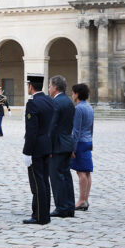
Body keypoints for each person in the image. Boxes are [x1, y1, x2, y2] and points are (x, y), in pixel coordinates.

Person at [22, 73, 53, 225]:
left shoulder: (33, 103)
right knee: (45, 181)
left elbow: (31, 130)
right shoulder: (49, 100)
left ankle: (39, 216)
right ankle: (44, 213)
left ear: (31, 86)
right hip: (47, 146)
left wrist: (27, 152)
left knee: (37, 183)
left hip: (36, 149)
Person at [48, 75, 76, 218]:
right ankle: (70, 206)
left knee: (56, 177)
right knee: (66, 176)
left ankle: (61, 208)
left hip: (57, 146)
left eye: (49, 86)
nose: (48, 89)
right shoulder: (69, 102)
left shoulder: (56, 103)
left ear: (55, 87)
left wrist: (49, 147)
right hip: (67, 143)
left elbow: (52, 127)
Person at [70, 83, 94, 211]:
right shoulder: (89, 107)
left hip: (80, 143)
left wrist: (72, 148)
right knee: (87, 172)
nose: (72, 95)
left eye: (73, 93)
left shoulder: (78, 108)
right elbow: (91, 128)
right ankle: (86, 199)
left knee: (81, 172)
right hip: (88, 141)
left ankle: (80, 200)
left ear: (77, 94)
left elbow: (76, 131)